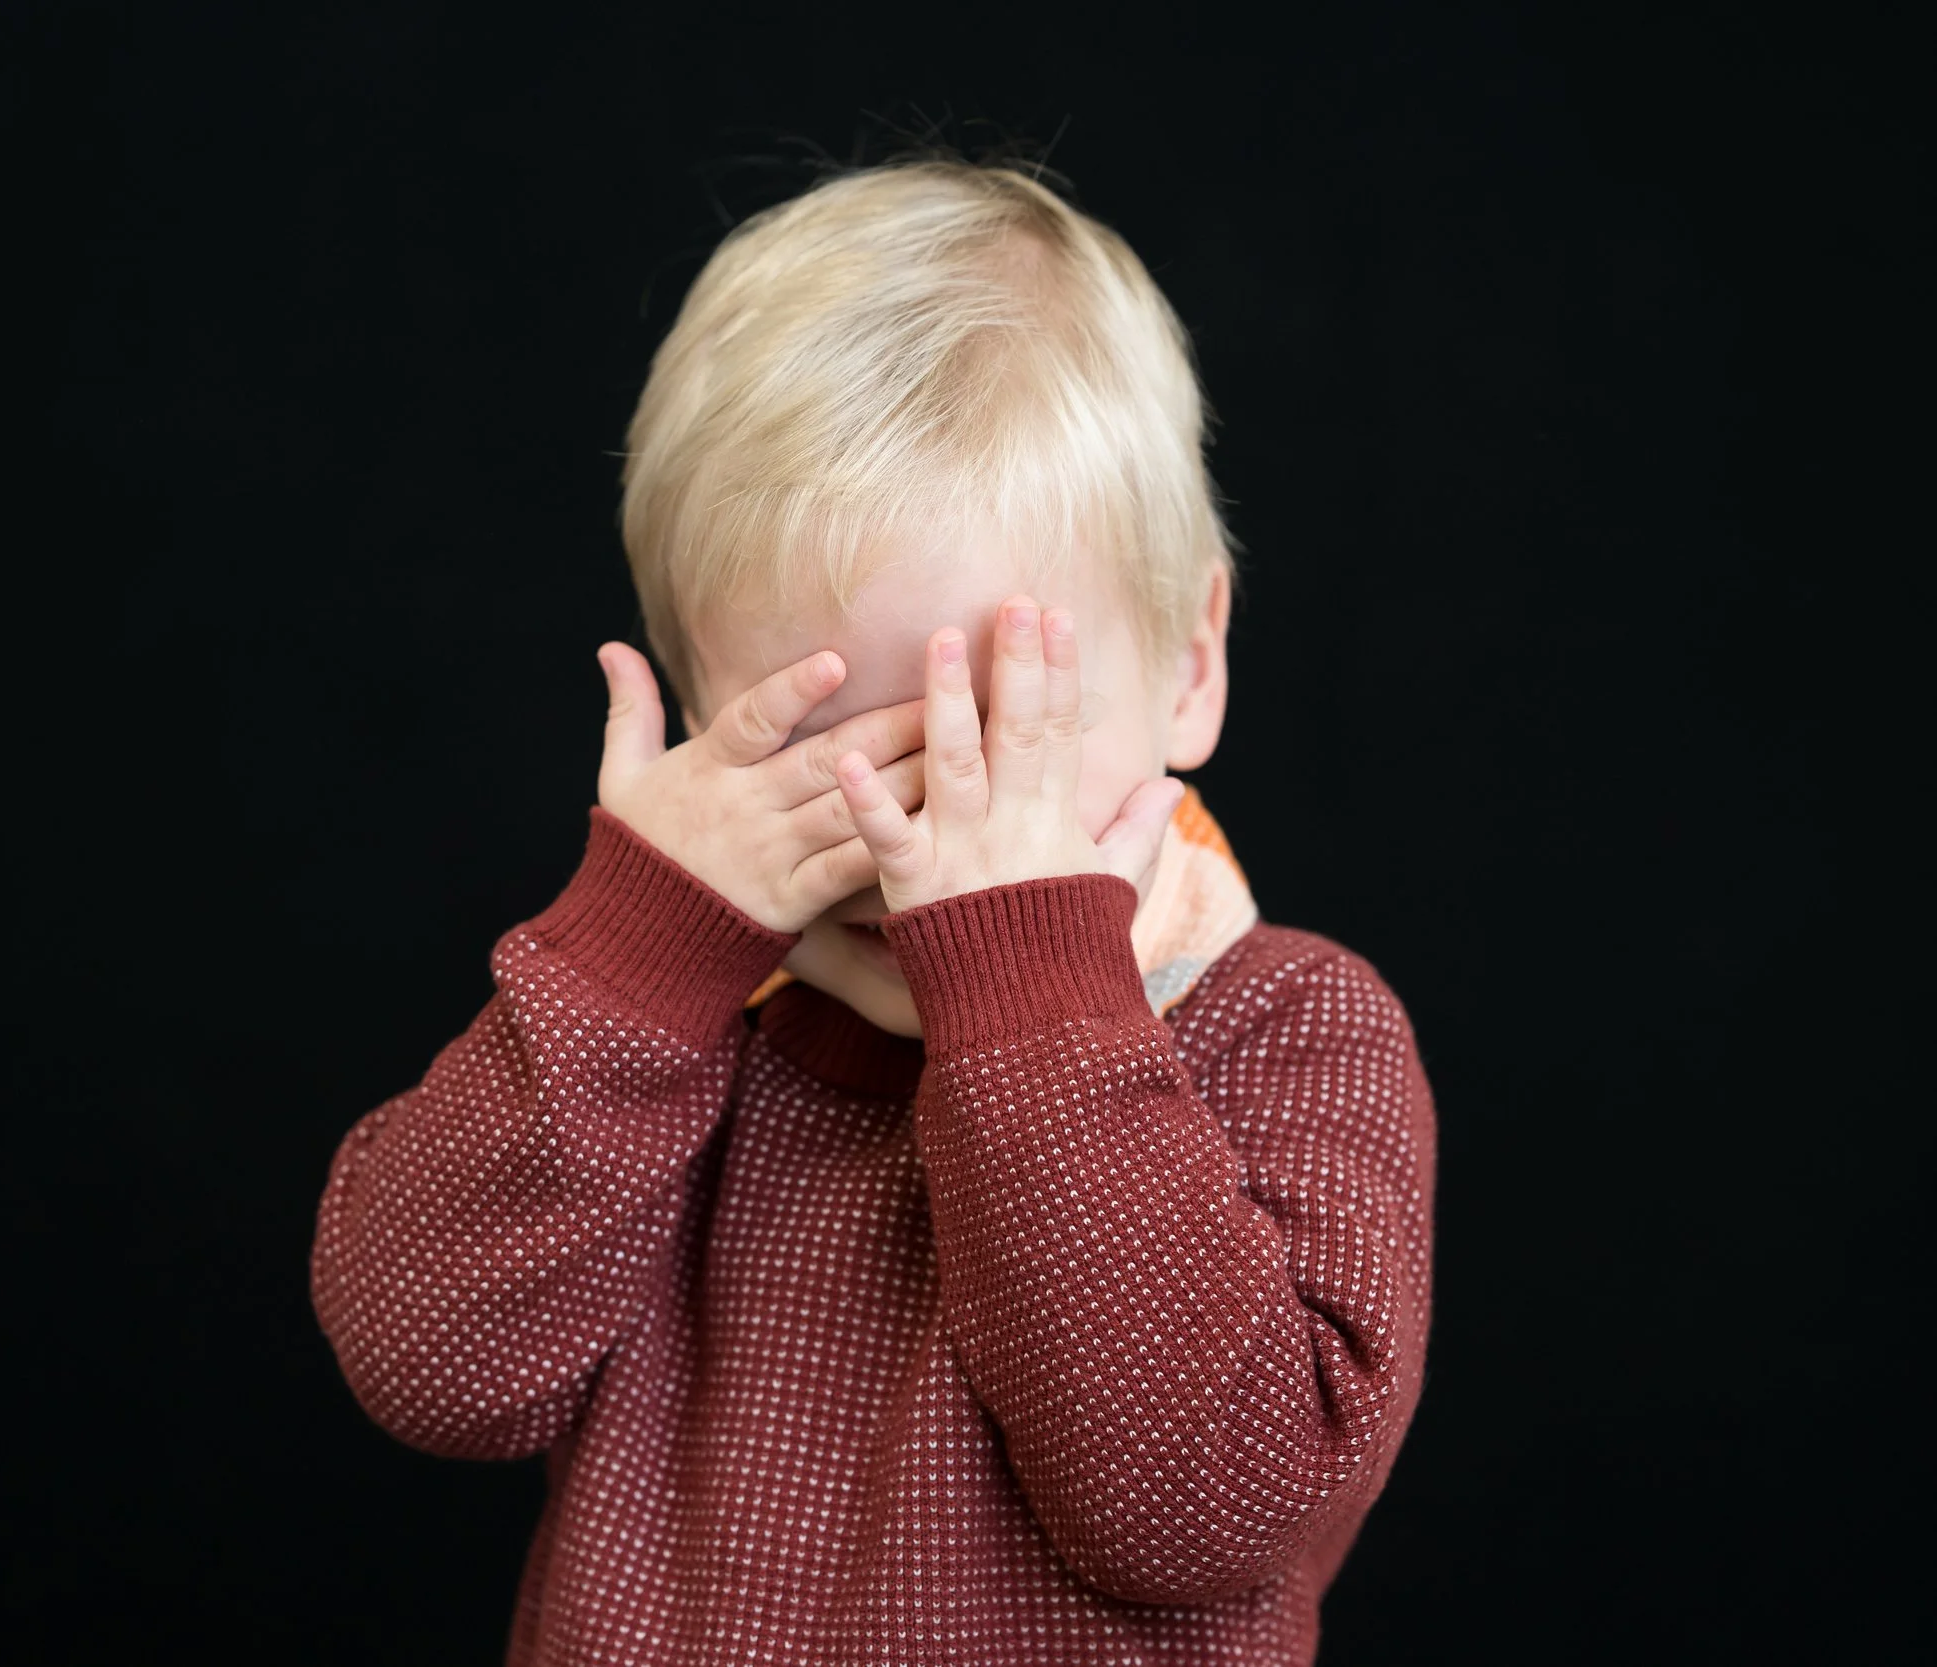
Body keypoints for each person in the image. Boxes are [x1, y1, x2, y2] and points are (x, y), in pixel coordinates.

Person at [310, 158, 1436, 1666]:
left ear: (1190, 665)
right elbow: (426, 1363)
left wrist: (1031, 995)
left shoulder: (1291, 1026)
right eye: (821, 756)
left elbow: (1211, 1512)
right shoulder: (666, 1036)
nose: (914, 838)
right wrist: (637, 954)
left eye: (995, 740)